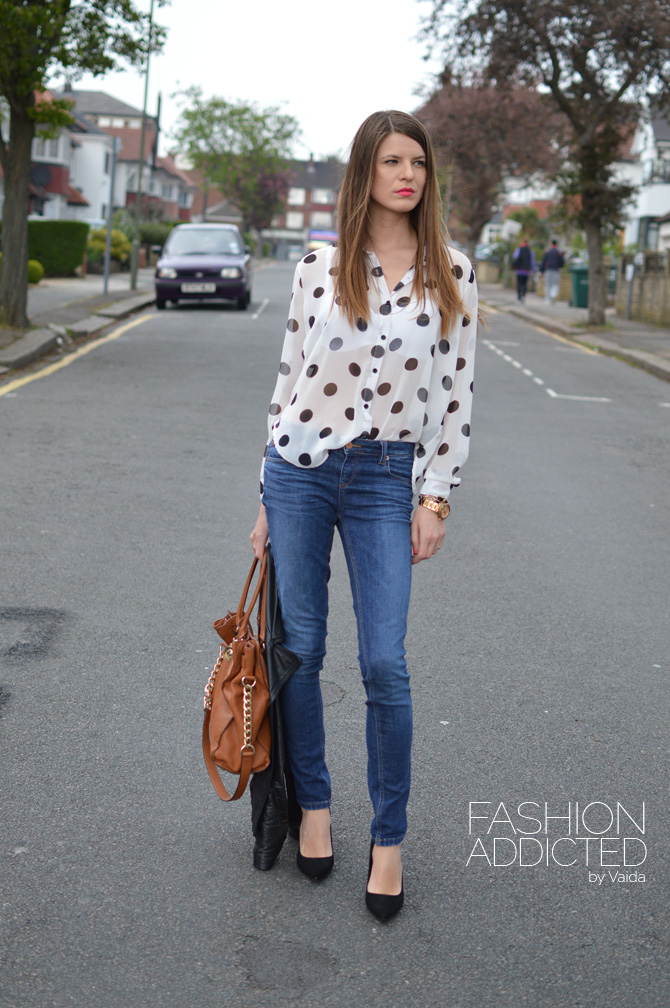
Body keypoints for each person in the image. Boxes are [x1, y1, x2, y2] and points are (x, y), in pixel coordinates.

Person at [249, 110, 477, 920]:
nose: (408, 175)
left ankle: (389, 838)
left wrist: (437, 494)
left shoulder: (452, 271)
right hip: (301, 472)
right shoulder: (320, 267)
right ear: (364, 173)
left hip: (388, 477)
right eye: (391, 162)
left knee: (385, 663)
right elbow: (286, 385)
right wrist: (265, 502)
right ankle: (315, 807)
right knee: (301, 651)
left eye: (417, 161)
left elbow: (455, 396)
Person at [540, 240, 565, 304]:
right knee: (555, 284)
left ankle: (548, 299)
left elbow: (543, 261)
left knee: (548, 284)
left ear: (551, 244)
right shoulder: (559, 252)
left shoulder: (547, 251)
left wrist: (542, 271)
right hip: (556, 270)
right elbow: (562, 262)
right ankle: (553, 294)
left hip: (548, 270)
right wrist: (560, 266)